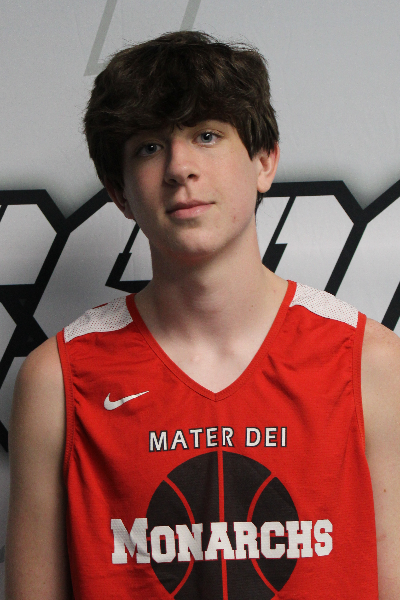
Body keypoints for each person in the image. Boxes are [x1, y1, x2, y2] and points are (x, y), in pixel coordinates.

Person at [5, 30, 400, 600]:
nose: (180, 167)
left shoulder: (370, 361)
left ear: (264, 161)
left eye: (207, 135)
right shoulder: (58, 378)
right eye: (149, 147)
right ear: (119, 192)